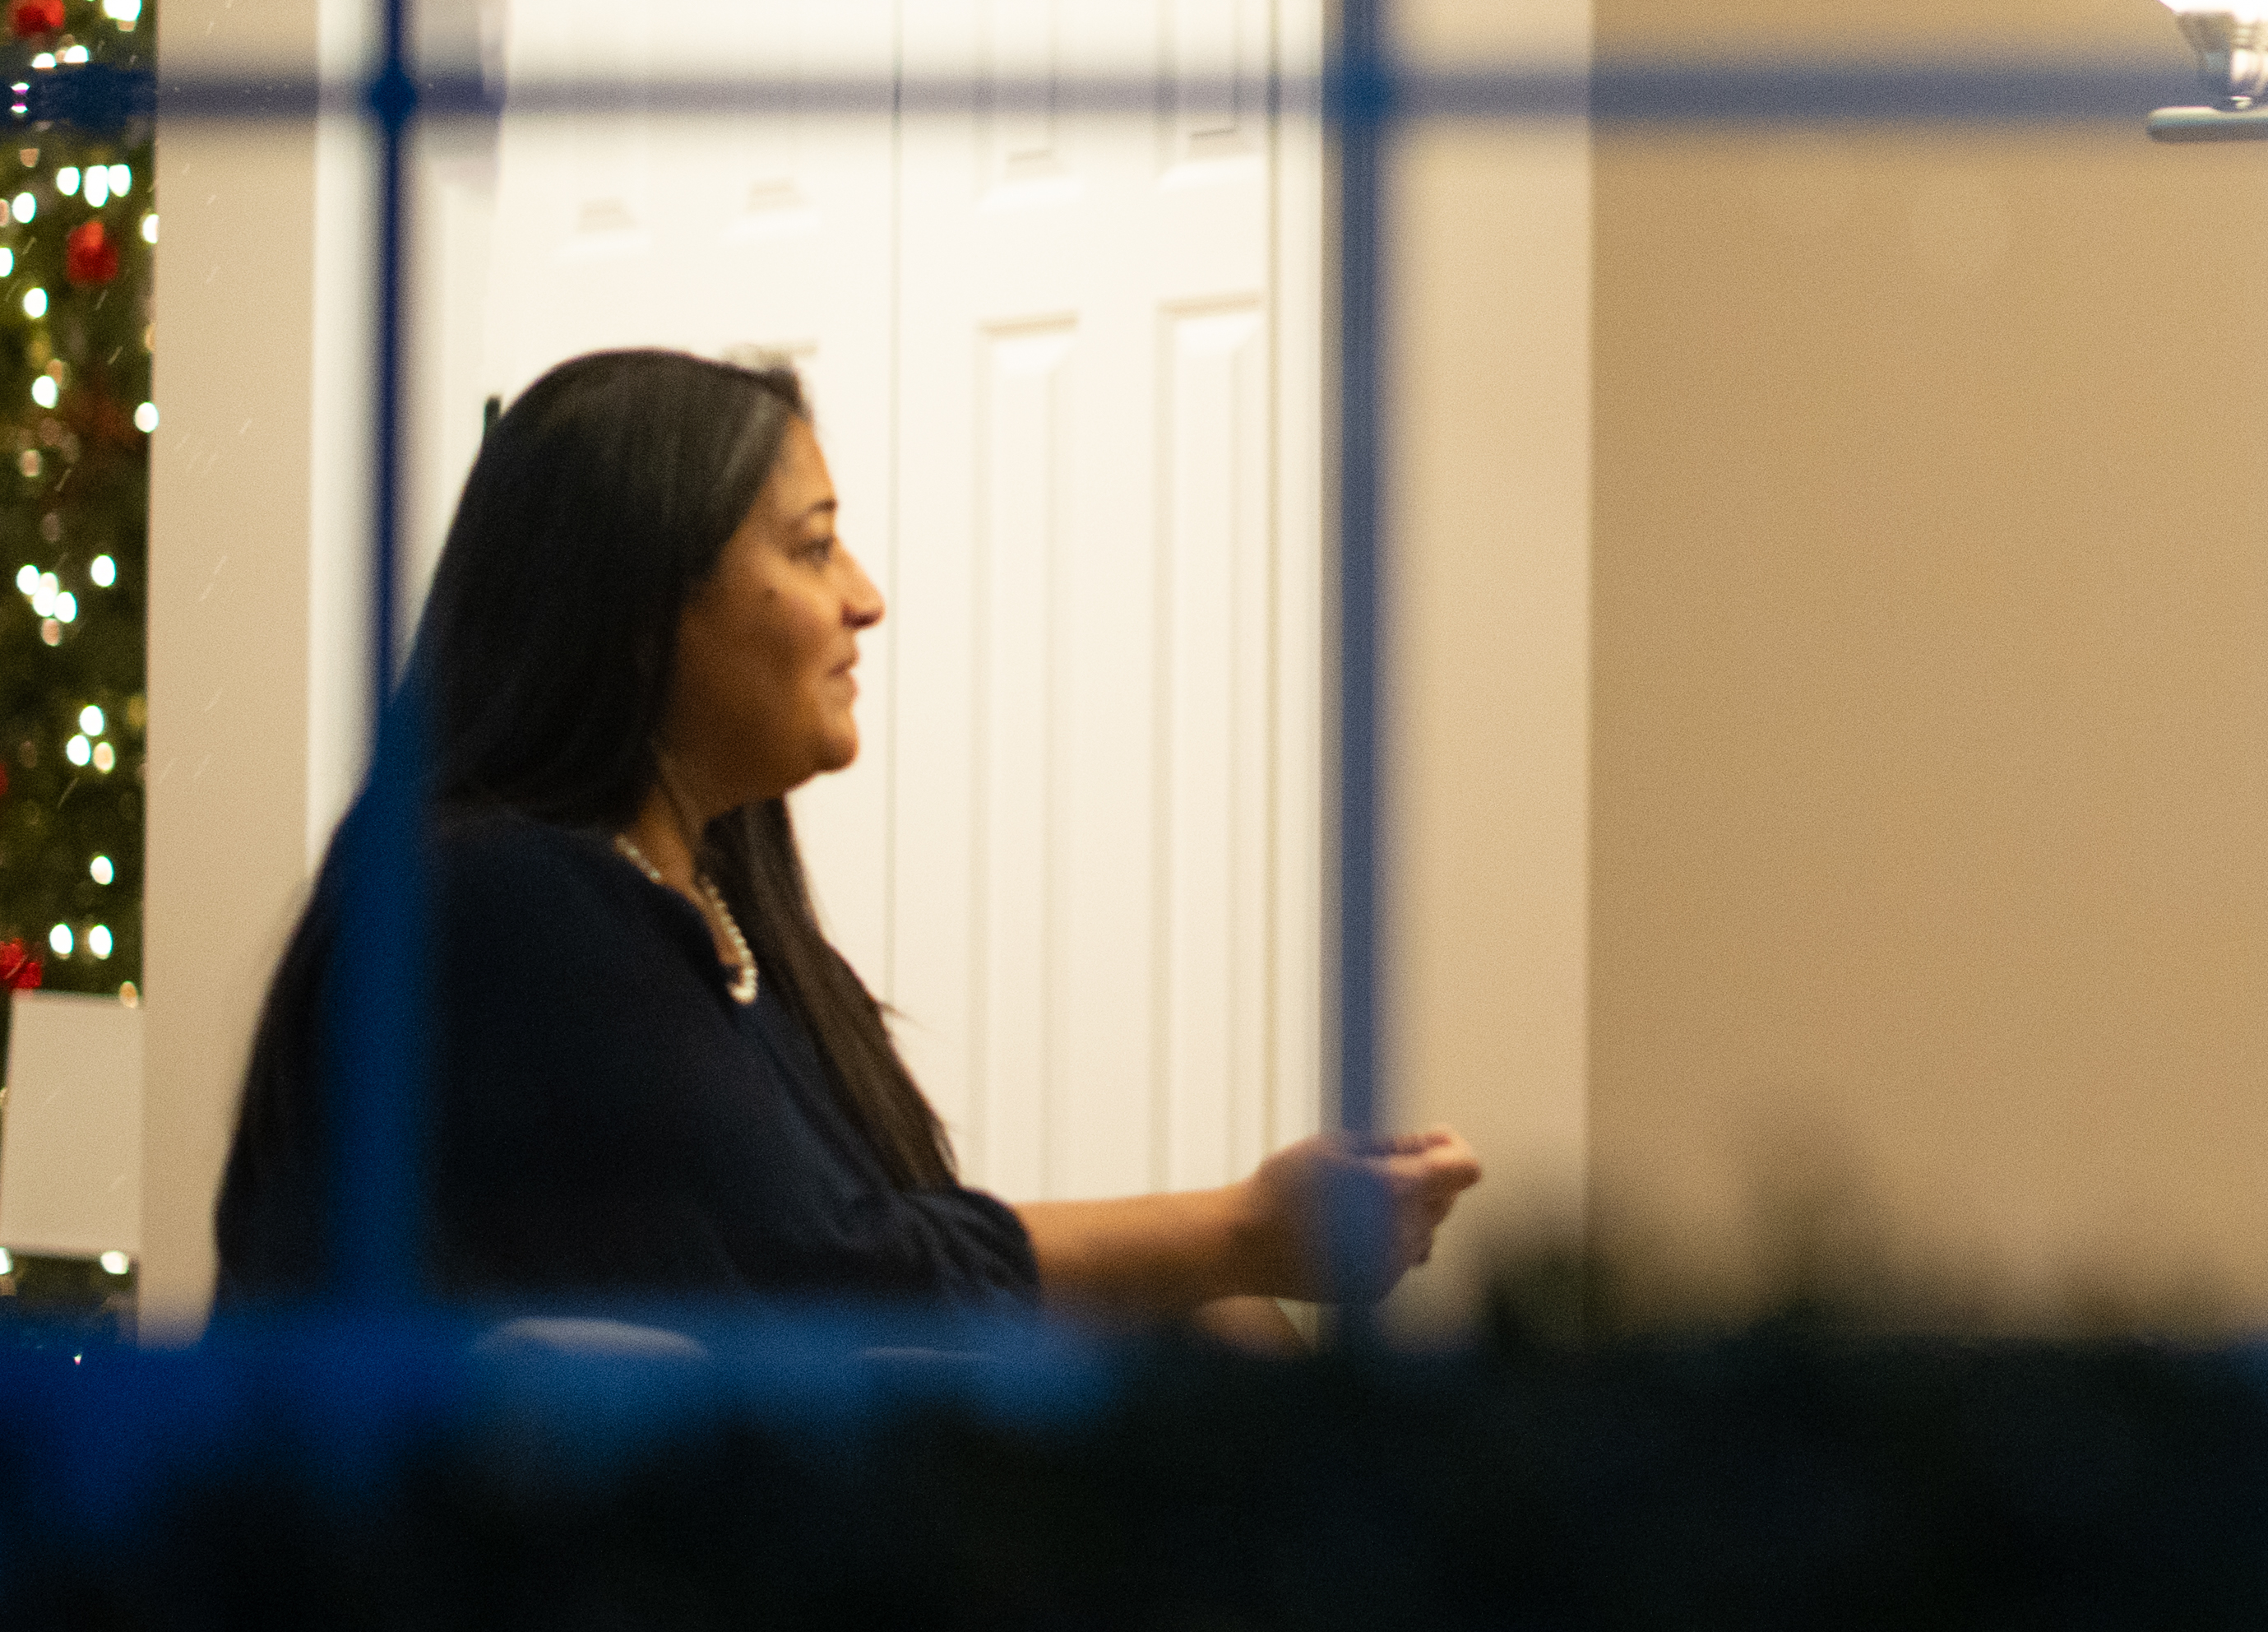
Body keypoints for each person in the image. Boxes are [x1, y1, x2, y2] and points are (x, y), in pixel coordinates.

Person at [218, 348, 1480, 1323]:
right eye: (813, 546)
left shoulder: (709, 909)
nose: (864, 596)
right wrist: (1245, 1230)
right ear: (645, 608)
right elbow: (821, 1280)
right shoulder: (494, 900)